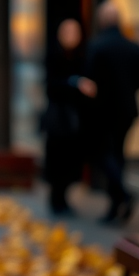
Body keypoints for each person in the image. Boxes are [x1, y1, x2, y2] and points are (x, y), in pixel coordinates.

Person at [86, 2, 139, 222]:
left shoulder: (97, 46)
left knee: (104, 155)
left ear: (102, 21)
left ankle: (122, 196)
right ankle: (117, 205)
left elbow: (90, 78)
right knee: (118, 155)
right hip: (127, 110)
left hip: (103, 111)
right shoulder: (133, 47)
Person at [43, 19, 96, 216]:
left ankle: (63, 198)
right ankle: (56, 199)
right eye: (66, 31)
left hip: (76, 120)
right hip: (59, 120)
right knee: (58, 160)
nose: (70, 36)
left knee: (71, 161)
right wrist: (74, 83)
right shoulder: (54, 56)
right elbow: (51, 86)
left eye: (74, 32)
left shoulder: (83, 56)